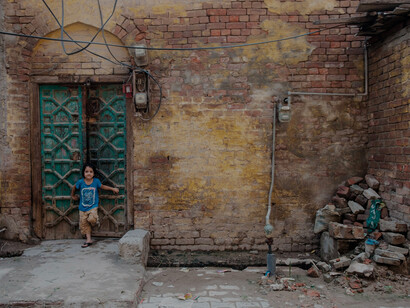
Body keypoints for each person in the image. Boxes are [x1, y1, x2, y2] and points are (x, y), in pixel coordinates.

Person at [71, 163, 119, 248]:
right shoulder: (81, 182)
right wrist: (73, 195)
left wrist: (113, 189)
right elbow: (74, 187)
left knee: (92, 219)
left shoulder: (96, 181)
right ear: (83, 173)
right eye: (86, 172)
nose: (88, 173)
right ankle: (88, 240)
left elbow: (103, 186)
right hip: (82, 208)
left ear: (93, 173)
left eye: (90, 171)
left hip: (93, 206)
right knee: (84, 225)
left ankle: (94, 223)